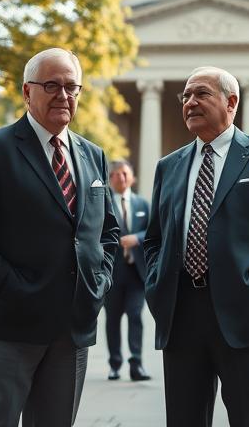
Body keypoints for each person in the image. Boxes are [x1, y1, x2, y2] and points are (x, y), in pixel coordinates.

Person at [0, 48, 120, 427]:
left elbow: (107, 230)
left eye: (71, 87)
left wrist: (99, 282)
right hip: (13, 320)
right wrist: (8, 289)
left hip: (73, 324)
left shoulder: (93, 155)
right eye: (51, 85)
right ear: (27, 92)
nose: (63, 95)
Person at [144, 66, 249, 426]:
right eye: (186, 95)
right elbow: (154, 238)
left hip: (243, 310)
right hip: (180, 313)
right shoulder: (168, 167)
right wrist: (156, 283)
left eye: (201, 94)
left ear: (231, 102)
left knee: (248, 417)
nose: (190, 102)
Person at [104, 160, 151, 382]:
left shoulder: (142, 204)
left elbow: (153, 232)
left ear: (131, 177)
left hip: (137, 273)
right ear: (110, 179)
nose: (120, 177)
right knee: (112, 319)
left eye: (124, 173)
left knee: (135, 315)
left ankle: (136, 364)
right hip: (112, 273)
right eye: (115, 174)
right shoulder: (104, 204)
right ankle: (114, 364)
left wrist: (137, 238)